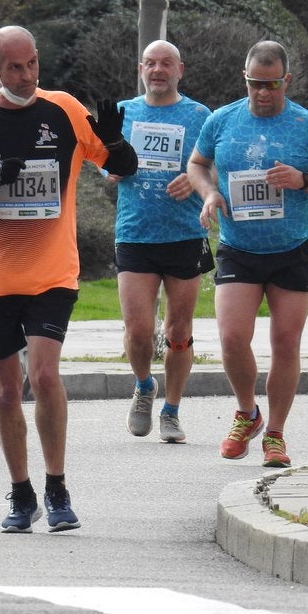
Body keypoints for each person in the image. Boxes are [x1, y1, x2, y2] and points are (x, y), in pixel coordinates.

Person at [0, 25, 138, 534]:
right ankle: (21, 492)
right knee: (5, 389)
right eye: (13, 68)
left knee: (44, 375)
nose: (25, 76)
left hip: (51, 271)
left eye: (31, 65)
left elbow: (125, 166)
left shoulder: (63, 109)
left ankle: (57, 485)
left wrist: (112, 139)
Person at [186, 40, 308, 467]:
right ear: (246, 79)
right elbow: (196, 164)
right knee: (233, 338)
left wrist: (303, 179)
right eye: (256, 84)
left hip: (292, 248)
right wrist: (209, 193)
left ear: (286, 80)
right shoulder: (222, 121)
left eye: (272, 84)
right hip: (239, 248)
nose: (263, 92)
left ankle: (275, 433)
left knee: (284, 342)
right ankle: (246, 413)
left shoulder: (306, 124)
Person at [111, 40, 213, 444]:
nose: (158, 70)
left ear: (180, 70)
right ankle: (143, 385)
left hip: (184, 235)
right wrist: (114, 164)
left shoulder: (200, 115)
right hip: (135, 232)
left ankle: (171, 409)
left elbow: (217, 168)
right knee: (138, 331)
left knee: (178, 330)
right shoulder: (124, 113)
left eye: (166, 64)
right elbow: (107, 169)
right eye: (150, 63)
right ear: (140, 69)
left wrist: (196, 179)